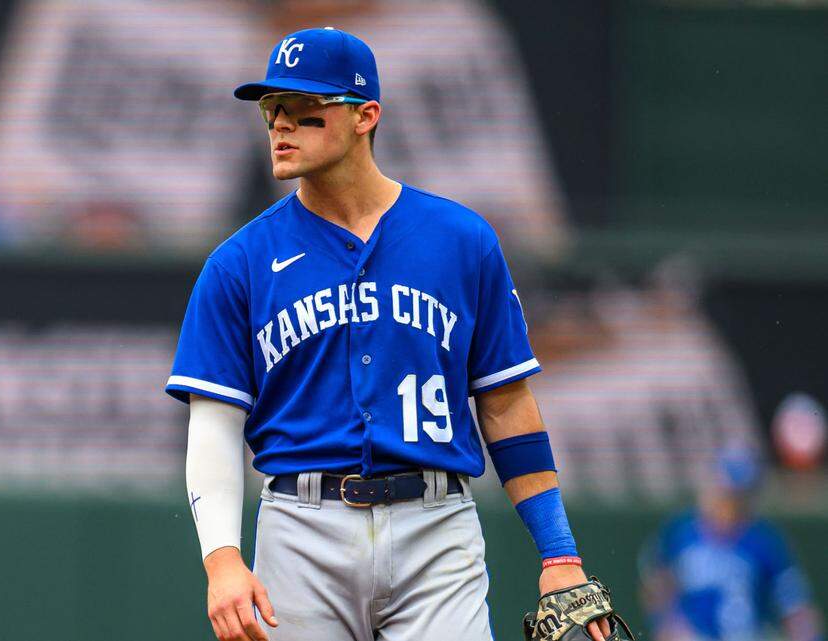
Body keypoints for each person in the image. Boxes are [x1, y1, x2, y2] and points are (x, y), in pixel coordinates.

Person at [164, 28, 611, 641]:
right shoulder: (238, 263)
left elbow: (507, 404)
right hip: (301, 530)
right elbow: (213, 424)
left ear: (365, 117)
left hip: (437, 528)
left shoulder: (462, 240)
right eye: (272, 111)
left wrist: (560, 555)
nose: (280, 127)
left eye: (304, 111)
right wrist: (222, 561)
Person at [639, 447, 823, 641]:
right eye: (722, 495)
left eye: (735, 499)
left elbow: (796, 607)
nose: (726, 506)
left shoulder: (764, 541)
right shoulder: (680, 532)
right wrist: (669, 624)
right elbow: (656, 585)